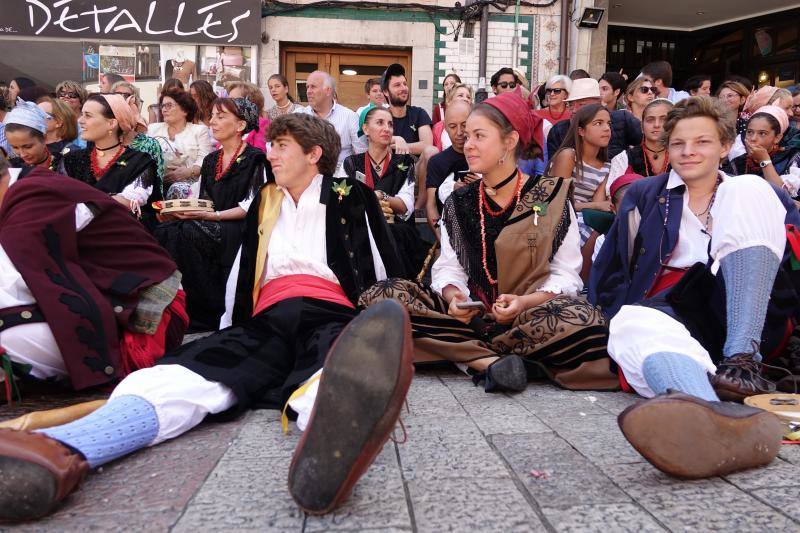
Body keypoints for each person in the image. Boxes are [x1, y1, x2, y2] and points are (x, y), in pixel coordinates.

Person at [0, 113, 414, 522]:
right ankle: (64, 448)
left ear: (314, 154)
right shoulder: (265, 200)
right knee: (196, 370)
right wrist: (227, 328)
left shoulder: (348, 193)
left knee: (334, 365)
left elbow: (379, 260)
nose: (270, 155)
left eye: (281, 146)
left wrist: (379, 324)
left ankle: (332, 439)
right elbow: (244, 268)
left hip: (331, 309)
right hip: (268, 314)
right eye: (271, 146)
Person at [590, 96, 797, 479]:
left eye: (702, 142)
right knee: (630, 320)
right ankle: (713, 421)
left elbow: (786, 262)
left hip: (746, 309)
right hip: (672, 311)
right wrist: (614, 314)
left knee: (748, 188)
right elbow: (611, 272)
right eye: (678, 143)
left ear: (723, 146)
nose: (688, 152)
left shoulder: (752, 191)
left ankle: (740, 364)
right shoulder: (644, 196)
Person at [360, 92, 615, 393]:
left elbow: (566, 275)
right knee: (381, 296)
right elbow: (448, 269)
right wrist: (455, 297)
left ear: (509, 141)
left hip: (530, 317)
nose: (467, 144)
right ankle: (491, 362)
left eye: (479, 136)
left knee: (584, 319)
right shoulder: (459, 200)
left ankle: (459, 353)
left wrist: (524, 302)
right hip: (469, 319)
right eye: (466, 136)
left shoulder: (550, 197)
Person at [0, 157, 187, 399]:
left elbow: (16, 284)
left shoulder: (30, 204)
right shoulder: (23, 187)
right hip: (114, 298)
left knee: (6, 334)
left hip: (147, 313)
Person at [154, 97, 266, 330]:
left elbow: (250, 206)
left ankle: (207, 311)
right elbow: (204, 201)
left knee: (186, 230)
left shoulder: (256, 159)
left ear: (240, 126)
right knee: (166, 229)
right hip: (211, 221)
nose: (212, 122)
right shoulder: (211, 159)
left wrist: (209, 216)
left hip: (238, 227)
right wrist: (182, 211)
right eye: (212, 116)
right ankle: (178, 306)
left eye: (221, 116)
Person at [343, 106, 426, 278]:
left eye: (390, 124)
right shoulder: (351, 163)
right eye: (379, 123)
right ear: (365, 129)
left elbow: (406, 206)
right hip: (363, 228)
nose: (386, 128)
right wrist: (373, 200)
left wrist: (380, 196)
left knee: (394, 233)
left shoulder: (403, 162)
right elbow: (343, 199)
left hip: (396, 231)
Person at [63, 94, 161, 229]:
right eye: (82, 114)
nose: (80, 121)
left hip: (124, 235)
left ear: (111, 123)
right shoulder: (71, 160)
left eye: (88, 115)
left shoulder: (140, 161)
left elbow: (130, 200)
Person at [547, 104, 612, 281]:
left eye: (608, 123)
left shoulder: (607, 167)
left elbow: (598, 210)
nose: (606, 128)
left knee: (601, 227)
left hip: (582, 215)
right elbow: (555, 202)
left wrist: (599, 206)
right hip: (552, 214)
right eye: (598, 123)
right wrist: (596, 205)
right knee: (588, 228)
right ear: (581, 131)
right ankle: (577, 282)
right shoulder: (569, 156)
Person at [547, 78, 642, 160]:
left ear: (598, 103)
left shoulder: (623, 120)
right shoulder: (558, 131)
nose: (574, 110)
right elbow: (554, 171)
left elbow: (646, 146)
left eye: (581, 104)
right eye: (570, 105)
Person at [147, 89, 212, 200]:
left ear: (184, 110)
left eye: (169, 105)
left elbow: (204, 160)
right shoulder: (153, 129)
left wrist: (188, 172)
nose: (164, 110)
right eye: (162, 106)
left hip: (189, 184)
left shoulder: (199, 131)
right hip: (157, 183)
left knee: (179, 189)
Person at [606, 99, 673, 195]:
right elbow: (612, 193)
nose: (657, 125)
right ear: (641, 126)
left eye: (664, 119)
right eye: (650, 120)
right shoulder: (623, 158)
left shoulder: (682, 155)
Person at [724, 106, 800, 191]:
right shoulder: (738, 162)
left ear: (777, 138)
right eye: (749, 132)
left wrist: (764, 160)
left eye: (762, 133)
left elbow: (783, 196)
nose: (753, 138)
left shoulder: (790, 157)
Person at [301, 71, 360, 175]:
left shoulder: (350, 117)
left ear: (328, 90)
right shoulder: (298, 116)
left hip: (339, 180)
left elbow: (361, 155)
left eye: (313, 87)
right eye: (307, 87)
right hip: (305, 178)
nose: (308, 91)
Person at [425, 100, 471, 232]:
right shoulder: (437, 162)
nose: (459, 132)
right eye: (452, 126)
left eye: (464, 125)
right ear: (444, 128)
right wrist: (442, 240)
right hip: (448, 231)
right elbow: (431, 206)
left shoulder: (486, 157)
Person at [4, 100, 65, 176]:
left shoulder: (65, 164)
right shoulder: (10, 169)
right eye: (15, 147)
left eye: (28, 147)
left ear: (43, 138)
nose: (22, 154)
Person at [225, 81, 270, 154]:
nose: (228, 104)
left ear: (249, 101)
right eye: (228, 100)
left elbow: (259, 156)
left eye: (233, 100)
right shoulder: (228, 123)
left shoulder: (261, 124)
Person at [431, 83, 473, 151]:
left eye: (468, 97)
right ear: (449, 101)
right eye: (460, 95)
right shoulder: (437, 128)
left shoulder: (477, 125)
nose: (465, 99)